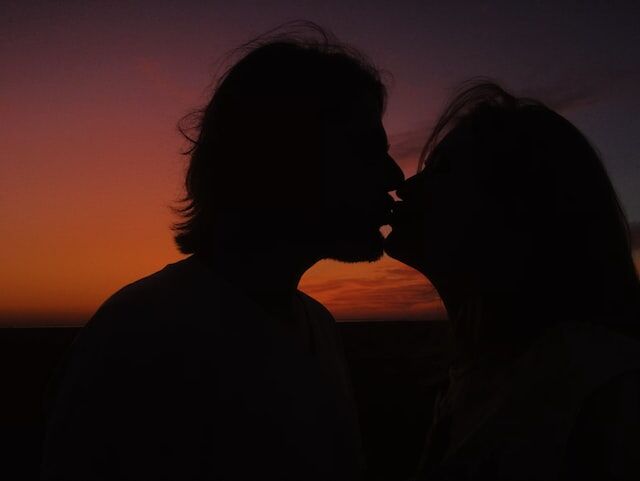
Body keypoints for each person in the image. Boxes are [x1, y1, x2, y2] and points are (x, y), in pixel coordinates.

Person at [41, 24, 403, 481]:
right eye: (365, 151)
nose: (394, 176)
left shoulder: (318, 325)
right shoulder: (141, 335)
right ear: (279, 156)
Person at [385, 80, 640, 480]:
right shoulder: (478, 377)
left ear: (519, 209)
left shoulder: (608, 393)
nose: (407, 187)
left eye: (443, 171)